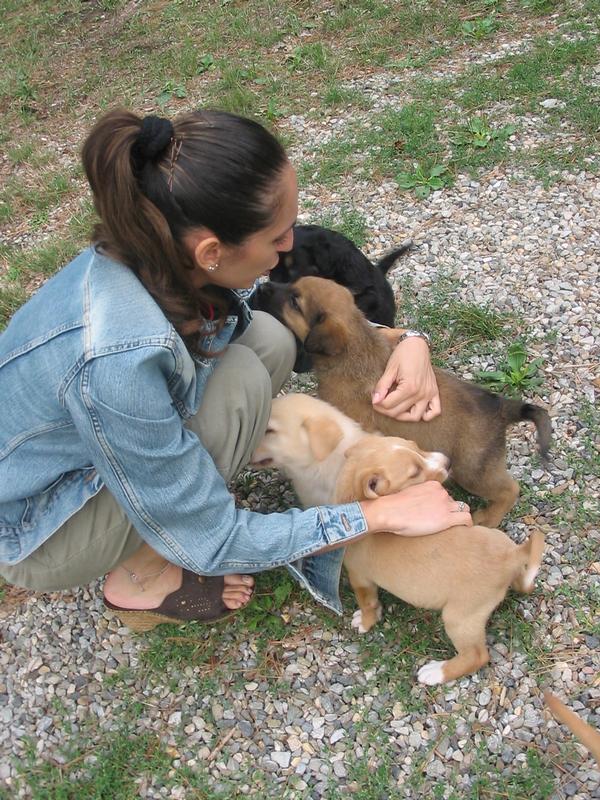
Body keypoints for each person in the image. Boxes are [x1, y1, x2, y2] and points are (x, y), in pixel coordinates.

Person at [0, 108, 472, 631]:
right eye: (278, 237)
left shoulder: (161, 250)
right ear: (211, 251)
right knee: (243, 385)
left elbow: (292, 325)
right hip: (37, 528)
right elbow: (214, 539)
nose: (290, 247)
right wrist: (377, 514)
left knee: (267, 338)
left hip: (94, 440)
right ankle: (141, 576)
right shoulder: (118, 363)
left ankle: (172, 483)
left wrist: (406, 341)